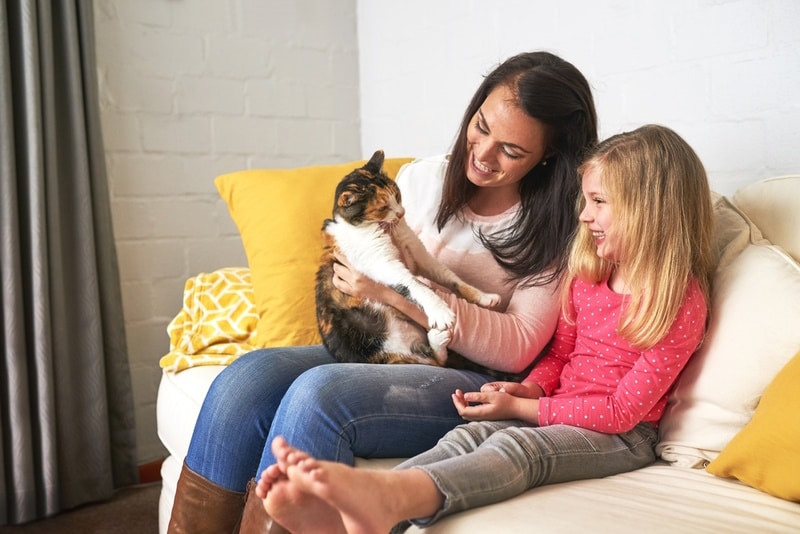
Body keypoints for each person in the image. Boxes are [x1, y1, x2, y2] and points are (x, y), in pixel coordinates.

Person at [168, 51, 598, 533]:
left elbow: (520, 343)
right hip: (388, 346)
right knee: (245, 379)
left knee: (319, 393)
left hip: (473, 379)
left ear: (550, 156)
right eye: (480, 127)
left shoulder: (564, 226)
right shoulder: (423, 178)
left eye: (511, 151)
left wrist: (399, 294)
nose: (482, 153)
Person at [255, 124, 716, 533]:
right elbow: (560, 355)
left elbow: (618, 413)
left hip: (623, 436)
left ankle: (390, 501)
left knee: (517, 447)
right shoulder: (590, 274)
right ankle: (361, 505)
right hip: (560, 406)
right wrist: (533, 389)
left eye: (598, 202)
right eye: (585, 201)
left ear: (651, 211)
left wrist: (525, 410)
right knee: (468, 436)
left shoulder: (680, 302)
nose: (583, 215)